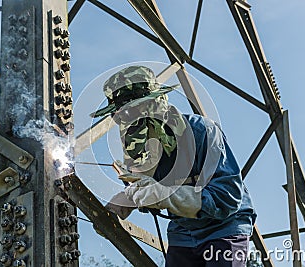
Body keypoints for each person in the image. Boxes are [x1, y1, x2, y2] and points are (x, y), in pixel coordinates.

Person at [90, 65, 257, 267]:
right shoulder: (137, 149)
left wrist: (166, 195)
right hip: (183, 231)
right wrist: (120, 205)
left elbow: (227, 198)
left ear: (153, 105)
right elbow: (139, 188)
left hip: (225, 226)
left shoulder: (201, 131)